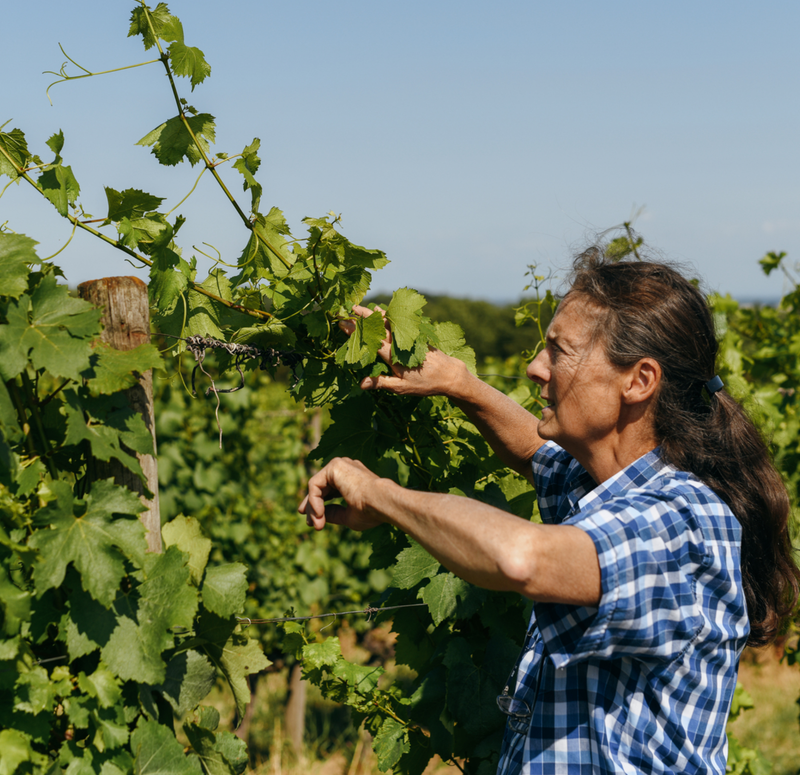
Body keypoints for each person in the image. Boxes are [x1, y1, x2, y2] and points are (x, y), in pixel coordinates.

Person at [300, 247, 800, 775]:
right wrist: (458, 383)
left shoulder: (678, 522)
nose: (535, 367)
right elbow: (533, 452)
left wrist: (380, 494)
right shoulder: (600, 484)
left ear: (639, 381)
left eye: (559, 352)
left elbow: (522, 558)